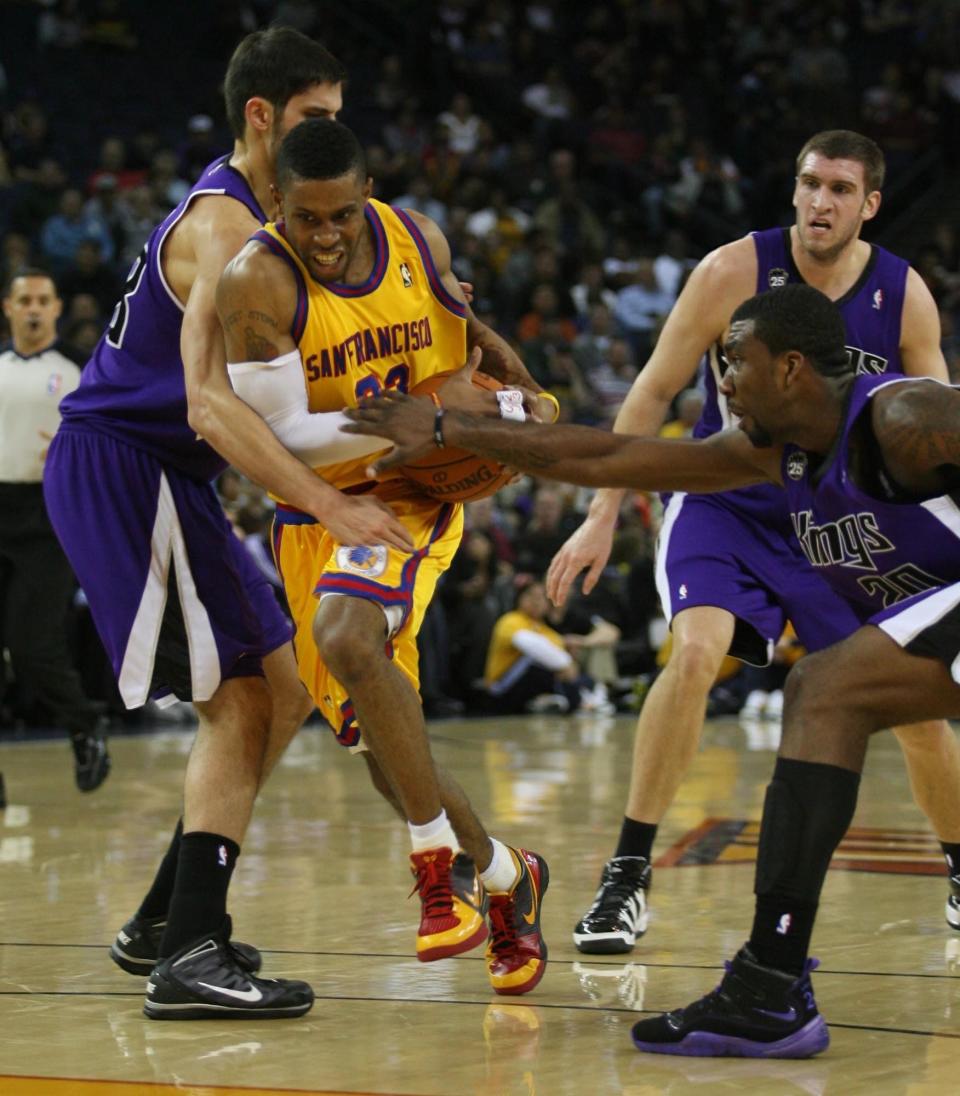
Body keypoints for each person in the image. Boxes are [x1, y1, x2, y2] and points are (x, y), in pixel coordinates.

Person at [342, 281, 960, 1056]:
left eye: (736, 361)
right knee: (828, 693)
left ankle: (770, 983)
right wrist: (449, 427)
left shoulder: (906, 418)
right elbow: (610, 455)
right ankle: (770, 984)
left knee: (826, 688)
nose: (722, 380)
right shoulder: (780, 453)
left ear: (794, 367)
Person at [42, 28, 411, 1022]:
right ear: (262, 116)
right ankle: (192, 954)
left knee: (283, 692)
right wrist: (330, 497)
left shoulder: (281, 222)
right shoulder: (223, 227)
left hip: (170, 475)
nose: (334, 135)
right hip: (127, 464)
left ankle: (167, 921)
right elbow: (210, 408)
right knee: (240, 701)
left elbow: (281, 397)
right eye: (316, 120)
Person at [545, 129, 960, 954]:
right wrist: (600, 516)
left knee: (911, 711)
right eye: (809, 183)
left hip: (840, 524)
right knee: (695, 653)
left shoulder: (900, 293)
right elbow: (655, 387)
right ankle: (627, 874)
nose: (819, 201)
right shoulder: (732, 270)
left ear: (870, 205)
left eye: (840, 189)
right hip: (728, 503)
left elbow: (938, 418)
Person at [218, 118, 550, 995]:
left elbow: (466, 336)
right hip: (316, 507)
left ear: (367, 196)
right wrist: (411, 425)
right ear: (277, 204)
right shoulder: (254, 282)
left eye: (341, 217)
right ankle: (509, 876)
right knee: (380, 748)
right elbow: (282, 433)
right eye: (306, 219)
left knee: (347, 637)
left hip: (411, 496)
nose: (325, 237)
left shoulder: (417, 238)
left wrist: (514, 397)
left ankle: (437, 877)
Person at [0, 268, 108, 792]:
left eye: (44, 299)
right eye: (26, 300)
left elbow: (109, 435)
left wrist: (72, 450)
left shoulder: (77, 368)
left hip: (48, 515)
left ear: (58, 308)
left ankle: (85, 724)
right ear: (9, 308)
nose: (35, 308)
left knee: (31, 644)